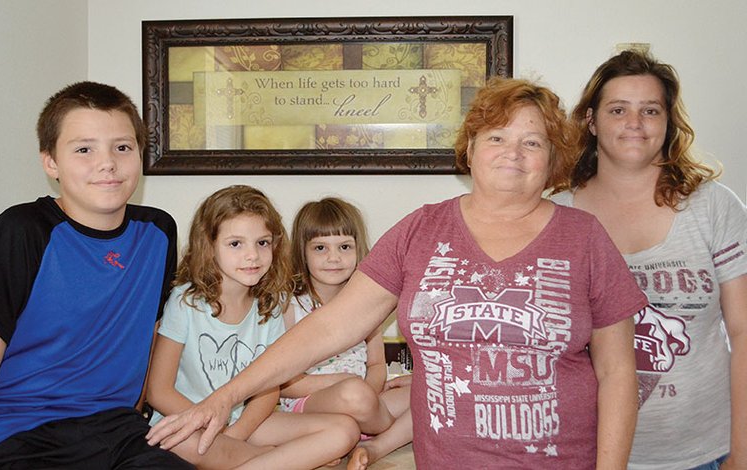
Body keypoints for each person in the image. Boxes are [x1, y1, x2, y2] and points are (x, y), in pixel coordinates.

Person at [147, 78, 648, 469]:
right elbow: (330, 326)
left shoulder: (584, 237)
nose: (513, 153)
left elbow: (617, 372)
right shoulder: (422, 230)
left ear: (553, 158)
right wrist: (225, 398)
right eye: (496, 137)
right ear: (470, 149)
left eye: (532, 142)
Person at [0, 82, 192, 469]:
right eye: (84, 149)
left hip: (119, 434)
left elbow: (148, 336)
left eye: (122, 147)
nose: (107, 162)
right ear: (51, 163)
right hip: (19, 435)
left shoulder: (158, 232)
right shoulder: (21, 231)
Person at [552, 50, 747, 470]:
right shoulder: (557, 217)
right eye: (618, 109)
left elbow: (744, 332)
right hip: (585, 453)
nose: (634, 123)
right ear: (591, 120)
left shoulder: (713, 207)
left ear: (668, 121)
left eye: (651, 110)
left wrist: (742, 452)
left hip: (705, 454)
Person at [145, 185, 359, 470]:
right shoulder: (186, 301)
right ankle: (276, 461)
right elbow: (158, 391)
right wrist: (213, 426)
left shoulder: (271, 303)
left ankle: (252, 459)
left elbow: (269, 387)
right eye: (236, 244)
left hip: (246, 421)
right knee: (177, 440)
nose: (252, 256)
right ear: (209, 246)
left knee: (344, 430)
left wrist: (235, 436)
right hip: (189, 420)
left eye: (262, 243)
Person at [279, 197, 412, 469]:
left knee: (428, 393)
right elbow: (285, 383)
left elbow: (376, 365)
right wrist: (341, 384)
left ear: (358, 249)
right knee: (351, 393)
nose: (334, 258)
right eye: (320, 248)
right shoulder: (291, 307)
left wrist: (371, 392)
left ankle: (370, 443)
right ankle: (381, 430)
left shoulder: (365, 305)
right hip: (312, 403)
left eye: (344, 247)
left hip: (365, 402)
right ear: (302, 253)